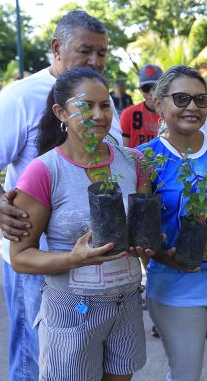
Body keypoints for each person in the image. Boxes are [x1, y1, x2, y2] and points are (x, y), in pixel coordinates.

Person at [0, 10, 123, 381]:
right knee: (36, 361)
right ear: (56, 47)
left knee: (82, 361)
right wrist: (1, 207)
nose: (95, 62)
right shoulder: (20, 97)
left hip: (91, 261)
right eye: (86, 51)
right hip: (35, 261)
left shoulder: (103, 100)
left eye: (102, 53)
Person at [11, 67, 150, 381]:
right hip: (73, 309)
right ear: (61, 111)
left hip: (127, 303)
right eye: (86, 106)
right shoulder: (43, 171)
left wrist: (151, 246)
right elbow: (20, 256)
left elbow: (143, 233)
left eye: (105, 105)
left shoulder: (133, 162)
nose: (98, 115)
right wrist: (73, 258)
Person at [136, 65, 207, 381]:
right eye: (181, 98)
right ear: (159, 103)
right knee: (185, 375)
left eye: (200, 99)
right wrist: (162, 255)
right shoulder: (145, 158)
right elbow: (141, 234)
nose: (192, 107)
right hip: (177, 291)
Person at [120, 64, 163, 148]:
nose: (151, 93)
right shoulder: (128, 114)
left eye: (155, 87)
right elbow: (123, 151)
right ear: (140, 90)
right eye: (146, 88)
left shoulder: (171, 113)